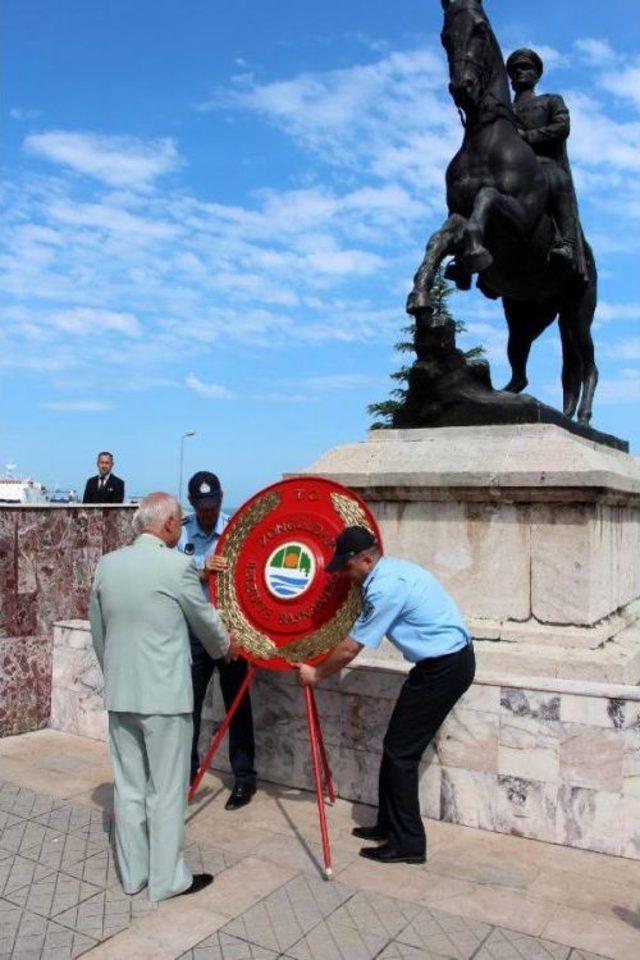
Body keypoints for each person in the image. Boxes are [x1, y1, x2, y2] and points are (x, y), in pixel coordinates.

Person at [89, 492, 238, 901]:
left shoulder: (107, 565)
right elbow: (207, 624)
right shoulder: (178, 567)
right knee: (167, 790)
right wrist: (228, 647)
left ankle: (134, 875)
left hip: (122, 694)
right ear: (170, 524)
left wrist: (117, 675)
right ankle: (167, 879)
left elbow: (98, 633)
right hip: (165, 699)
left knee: (130, 787)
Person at [297, 526, 475, 865]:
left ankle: (409, 843)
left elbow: (350, 648)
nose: (347, 578)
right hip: (438, 664)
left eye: (348, 569)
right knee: (395, 748)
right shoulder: (392, 571)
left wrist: (316, 673)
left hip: (446, 668)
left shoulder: (386, 589)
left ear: (366, 559)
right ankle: (387, 825)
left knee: (401, 755)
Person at [178, 471, 257, 809]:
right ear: (193, 504)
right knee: (187, 708)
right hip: (195, 633)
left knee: (237, 706)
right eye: (202, 507)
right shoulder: (181, 532)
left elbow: (253, 576)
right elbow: (171, 571)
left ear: (221, 500)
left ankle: (244, 779)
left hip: (229, 633)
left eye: (212, 506)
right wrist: (201, 567)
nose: (208, 513)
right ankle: (186, 774)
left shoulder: (238, 531)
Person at [506, 47, 587, 280]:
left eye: (526, 67)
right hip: (509, 171)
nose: (521, 72)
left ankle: (567, 244)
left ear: (536, 74)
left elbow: (562, 128)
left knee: (559, 179)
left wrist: (527, 137)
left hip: (543, 164)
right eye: (515, 69)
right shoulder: (504, 110)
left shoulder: (551, 101)